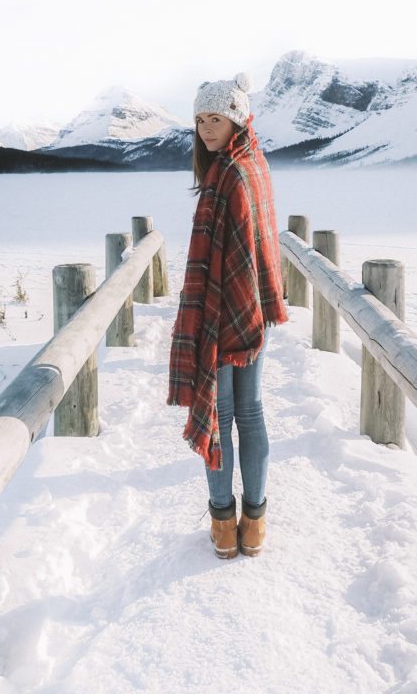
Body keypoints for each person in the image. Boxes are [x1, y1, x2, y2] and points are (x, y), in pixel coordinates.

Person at [167, 72, 288, 559]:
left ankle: (224, 523)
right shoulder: (251, 162)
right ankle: (253, 523)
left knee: (224, 415)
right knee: (250, 413)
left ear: (235, 118)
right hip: (253, 309)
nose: (206, 129)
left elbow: (228, 257)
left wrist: (208, 323)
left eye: (215, 118)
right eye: (199, 120)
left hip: (224, 315)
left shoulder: (230, 175)